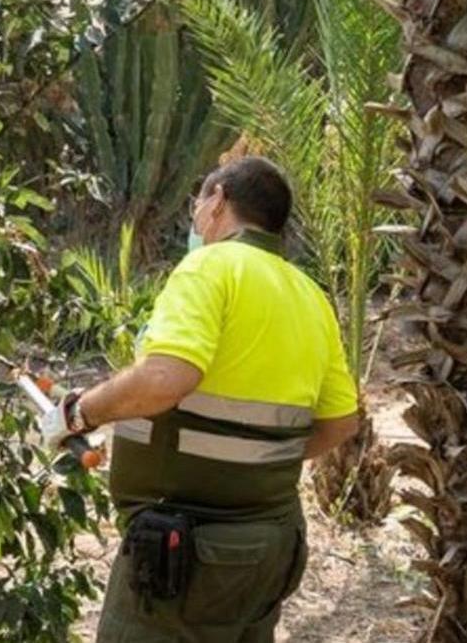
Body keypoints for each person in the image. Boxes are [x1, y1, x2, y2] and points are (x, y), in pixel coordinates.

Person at [43, 156, 360, 642]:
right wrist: (260, 456)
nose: (195, 215)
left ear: (218, 201)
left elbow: (165, 378)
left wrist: (79, 412)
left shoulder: (209, 268)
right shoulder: (310, 295)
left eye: (199, 200)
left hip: (187, 556)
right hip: (269, 547)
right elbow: (341, 422)